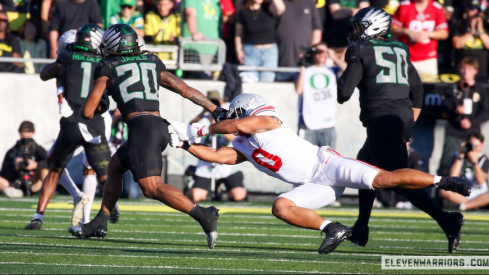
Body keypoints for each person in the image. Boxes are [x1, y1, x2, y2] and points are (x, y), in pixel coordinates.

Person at [169, 93, 470, 255]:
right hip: (312, 184)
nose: (234, 120)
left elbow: (235, 126)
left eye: (236, 116)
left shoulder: (267, 121)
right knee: (281, 207)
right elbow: (216, 154)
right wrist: (185, 143)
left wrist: (198, 128)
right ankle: (332, 228)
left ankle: (444, 181)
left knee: (384, 179)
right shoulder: (242, 143)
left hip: (327, 165)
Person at [68, 24, 227, 250]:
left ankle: (203, 214)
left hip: (142, 128)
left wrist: (103, 103)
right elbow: (184, 88)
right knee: (114, 167)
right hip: (158, 125)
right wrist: (215, 109)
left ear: (113, 46)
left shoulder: (107, 65)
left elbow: (87, 111)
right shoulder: (151, 61)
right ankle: (100, 222)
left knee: (152, 188)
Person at [337, 7, 466, 254]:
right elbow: (417, 90)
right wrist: (409, 122)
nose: (355, 32)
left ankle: (446, 217)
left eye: (359, 26)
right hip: (402, 117)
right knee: (365, 167)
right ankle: (361, 226)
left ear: (373, 26)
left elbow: (344, 94)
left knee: (396, 180)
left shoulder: (360, 50)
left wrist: (347, 69)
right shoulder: (400, 48)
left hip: (382, 119)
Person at [24, 24, 113, 231]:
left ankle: (78, 217)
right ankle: (90, 212)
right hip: (93, 119)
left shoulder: (66, 61)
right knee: (94, 170)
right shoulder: (103, 62)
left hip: (83, 120)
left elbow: (46, 74)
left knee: (78, 167)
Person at [187, 90, 247, 202]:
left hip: (227, 165)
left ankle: (223, 188)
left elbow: (236, 139)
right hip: (207, 164)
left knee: (238, 196)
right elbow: (188, 129)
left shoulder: (228, 117)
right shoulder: (203, 119)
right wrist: (203, 112)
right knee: (196, 196)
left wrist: (217, 126)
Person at [437, 57, 489, 177]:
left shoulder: (480, 90)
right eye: (464, 69)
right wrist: (455, 109)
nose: (466, 72)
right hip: (454, 132)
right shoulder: (452, 88)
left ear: (475, 71)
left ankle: (472, 192)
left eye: (469, 69)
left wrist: (472, 122)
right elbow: (444, 106)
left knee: (472, 165)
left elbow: (485, 111)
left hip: (473, 133)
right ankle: (443, 193)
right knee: (448, 164)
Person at [295, 42, 346, 148]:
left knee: (330, 159)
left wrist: (333, 57)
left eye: (324, 52)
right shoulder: (305, 72)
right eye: (318, 52)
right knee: (306, 159)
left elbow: (347, 70)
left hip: (328, 123)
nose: (322, 55)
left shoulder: (332, 70)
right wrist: (303, 66)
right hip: (309, 123)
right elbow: (299, 90)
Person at [391, 0, 449, 77]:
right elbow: (392, 27)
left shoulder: (436, 7)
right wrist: (406, 31)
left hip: (427, 58)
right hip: (406, 57)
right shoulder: (405, 5)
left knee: (428, 87)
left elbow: (444, 33)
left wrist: (429, 34)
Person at [235, 0, 285, 82]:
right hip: (250, 52)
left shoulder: (269, 8)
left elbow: (281, 9)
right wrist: (238, 50)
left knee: (267, 82)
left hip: (270, 52)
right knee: (251, 82)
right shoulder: (243, 12)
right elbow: (238, 34)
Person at [440, 131, 489, 211]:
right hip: (462, 192)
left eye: (476, 146)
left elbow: (481, 180)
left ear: (481, 146)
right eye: (471, 145)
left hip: (479, 193)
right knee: (443, 191)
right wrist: (460, 155)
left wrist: (474, 162)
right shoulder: (459, 156)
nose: (473, 148)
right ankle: (474, 205)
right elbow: (453, 177)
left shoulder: (484, 159)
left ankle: (464, 206)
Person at [275, 0, 322, 81]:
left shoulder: (309, 3)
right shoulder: (279, 3)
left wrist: (312, 51)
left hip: (305, 62)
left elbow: (317, 28)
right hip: (282, 58)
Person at [0, 121, 48, 198]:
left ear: (33, 133)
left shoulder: (39, 150)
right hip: (15, 183)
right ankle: (10, 191)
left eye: (28, 137)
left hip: (34, 183)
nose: (25, 139)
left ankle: (45, 191)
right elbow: (4, 173)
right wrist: (15, 167)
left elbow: (48, 164)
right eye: (23, 136)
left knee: (45, 171)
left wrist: (35, 165)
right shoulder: (12, 151)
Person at [451, 1, 489, 81]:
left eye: (477, 10)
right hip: (462, 69)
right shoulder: (459, 24)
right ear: (467, 10)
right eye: (472, 9)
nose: (475, 12)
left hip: (482, 70)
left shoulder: (486, 25)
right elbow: (457, 44)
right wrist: (471, 32)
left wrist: (481, 31)